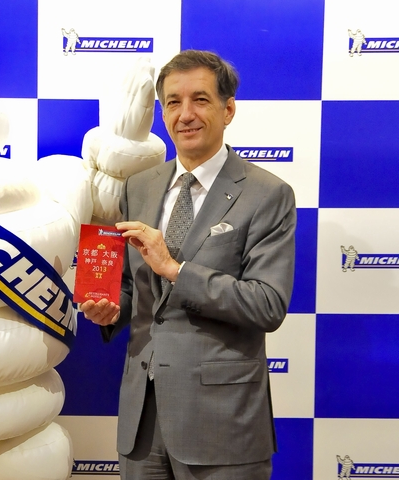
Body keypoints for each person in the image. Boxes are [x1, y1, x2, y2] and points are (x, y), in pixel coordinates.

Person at [80, 49, 297, 480]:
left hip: (222, 424)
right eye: (173, 102)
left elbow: (267, 304)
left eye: (200, 99)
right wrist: (110, 308)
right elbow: (131, 287)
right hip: (142, 422)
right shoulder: (139, 186)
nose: (185, 114)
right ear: (162, 113)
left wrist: (175, 269)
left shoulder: (267, 193)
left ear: (228, 109)